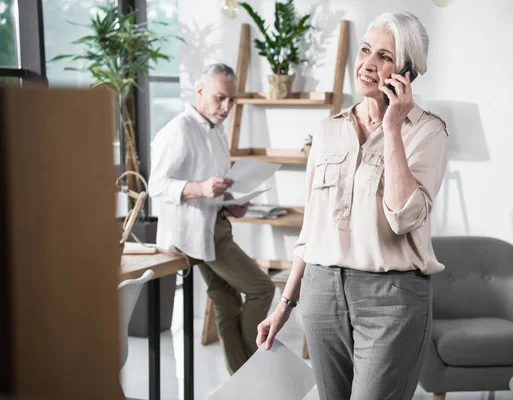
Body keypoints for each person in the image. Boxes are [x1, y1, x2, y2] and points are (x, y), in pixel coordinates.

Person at [256, 12, 449, 399]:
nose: (369, 64)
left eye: (385, 56)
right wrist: (285, 304)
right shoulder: (329, 130)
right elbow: (311, 228)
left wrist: (392, 128)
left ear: (407, 72)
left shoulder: (428, 131)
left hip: (390, 301)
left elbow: (405, 217)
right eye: (365, 51)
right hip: (321, 293)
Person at [149, 63, 275, 375]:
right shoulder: (179, 130)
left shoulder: (217, 132)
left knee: (226, 303)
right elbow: (156, 186)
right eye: (220, 98)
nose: (226, 107)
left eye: (232, 100)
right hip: (196, 233)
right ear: (200, 90)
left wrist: (230, 203)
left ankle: (241, 382)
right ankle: (254, 365)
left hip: (216, 224)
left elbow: (214, 183)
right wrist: (202, 189)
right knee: (262, 288)